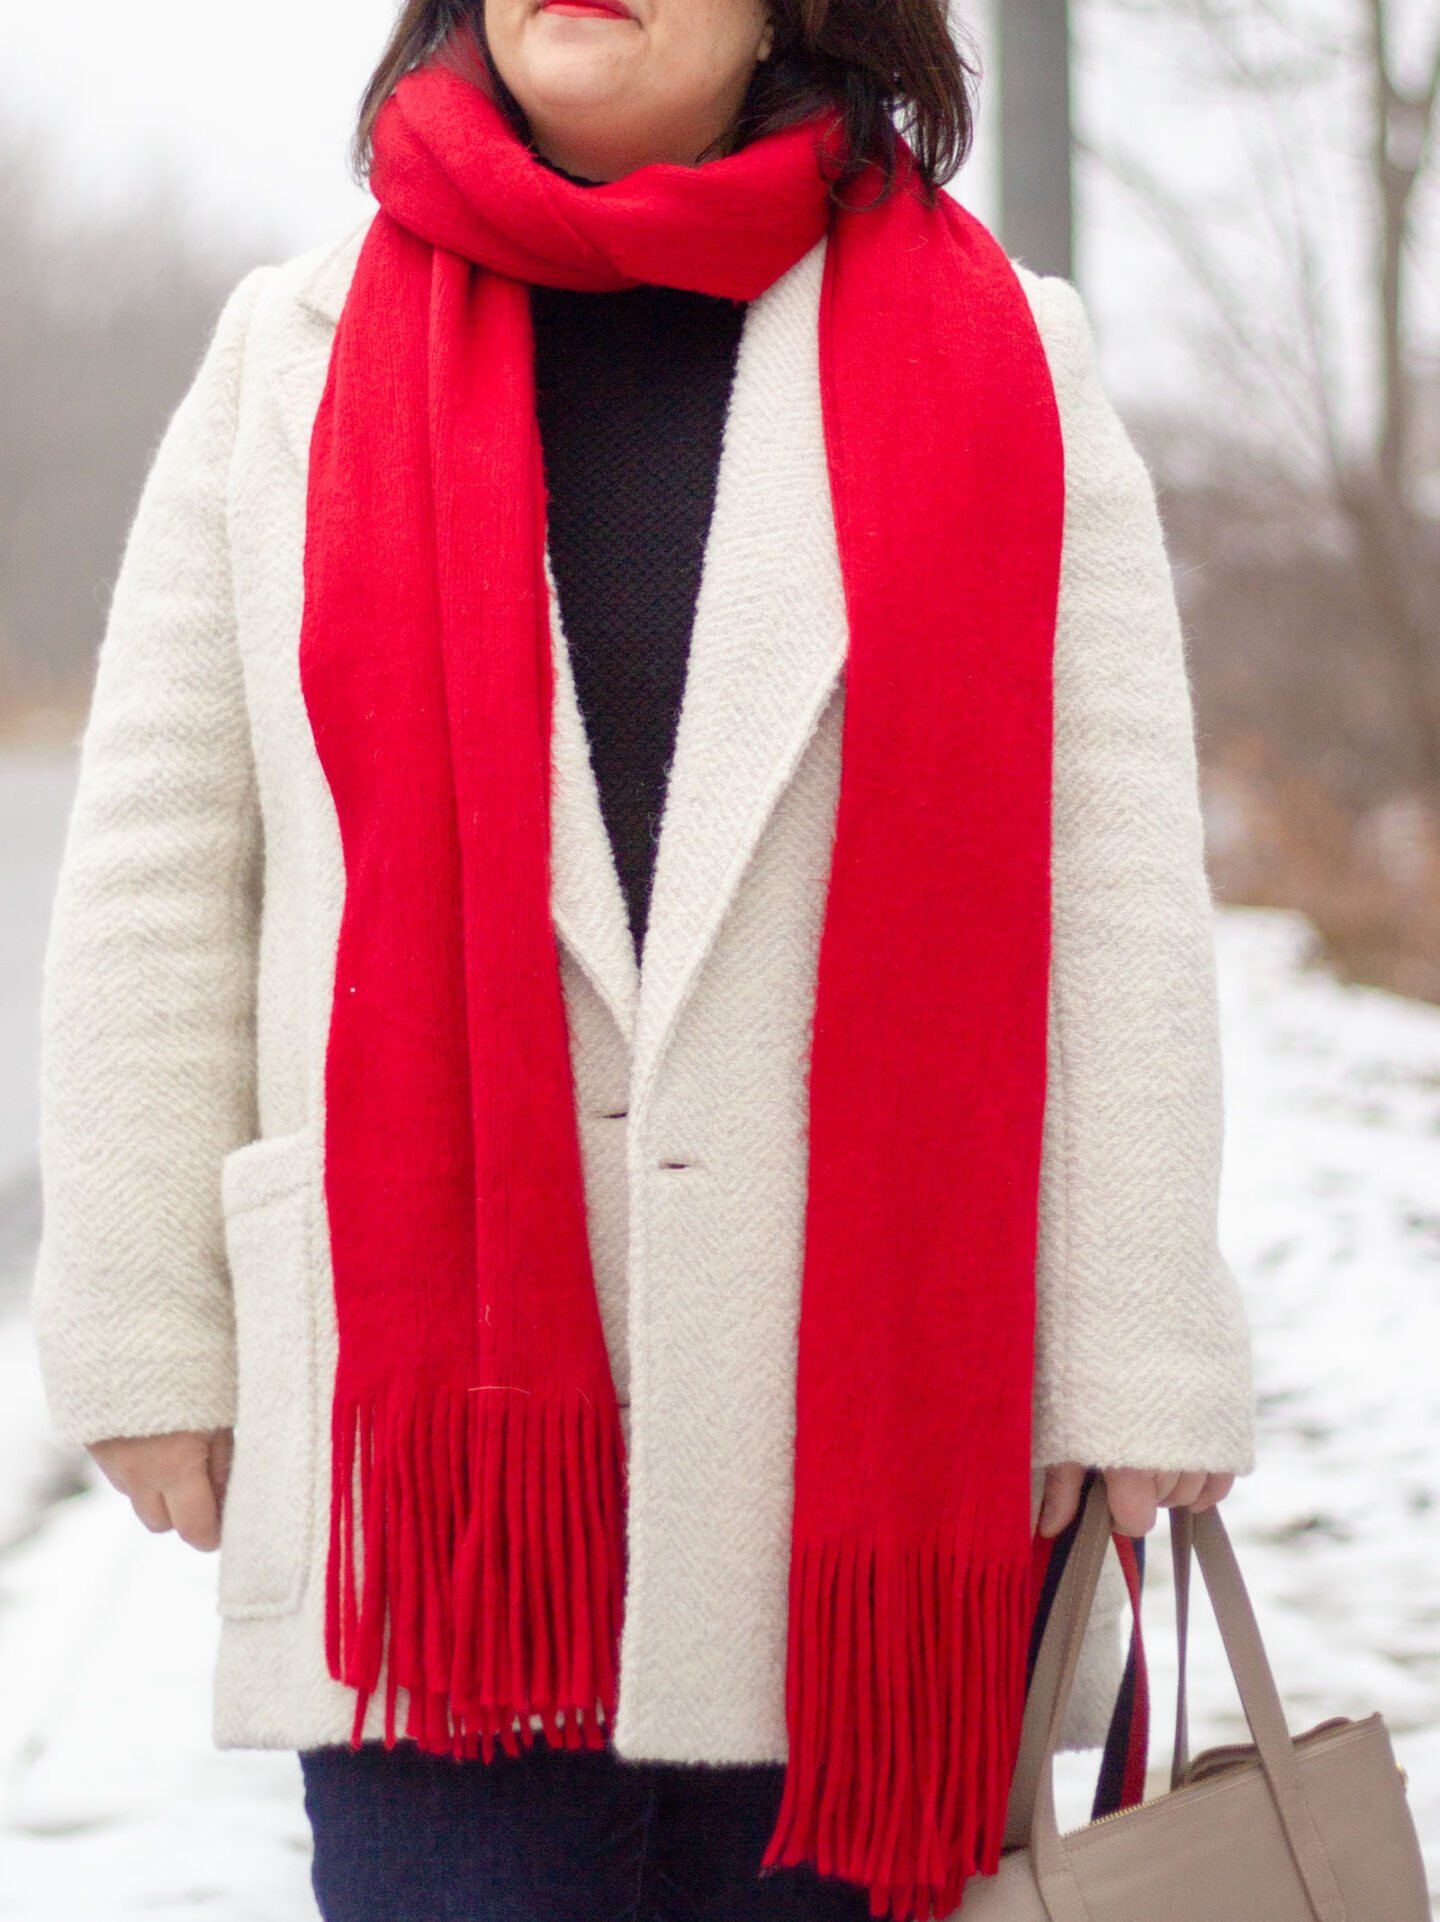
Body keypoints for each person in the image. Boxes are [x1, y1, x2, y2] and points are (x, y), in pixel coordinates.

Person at [33, 1, 1254, 1918]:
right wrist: (137, 1313)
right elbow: (164, 869)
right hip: (436, 1485)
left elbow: (1112, 895)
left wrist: (1142, 1357)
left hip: (885, 1485)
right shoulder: (294, 354)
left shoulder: (1011, 352)